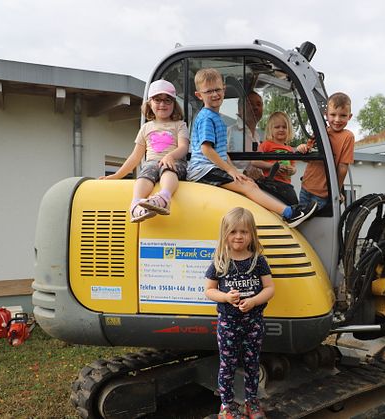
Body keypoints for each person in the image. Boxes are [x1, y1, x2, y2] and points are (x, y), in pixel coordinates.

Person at [187, 68, 316, 228]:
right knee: (248, 186)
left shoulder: (216, 117)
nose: (214, 94)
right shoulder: (207, 117)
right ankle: (289, 214)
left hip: (211, 168)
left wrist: (234, 170)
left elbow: (221, 152)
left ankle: (288, 212)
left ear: (224, 90)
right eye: (209, 91)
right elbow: (207, 150)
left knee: (249, 184)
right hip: (203, 171)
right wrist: (231, 171)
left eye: (218, 90)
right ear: (199, 95)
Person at [204, 207, 274, 419]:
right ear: (225, 233)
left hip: (253, 323)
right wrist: (225, 297)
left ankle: (251, 402)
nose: (238, 236)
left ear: (252, 233)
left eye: (244, 232)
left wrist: (253, 301)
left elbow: (269, 289)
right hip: (228, 324)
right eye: (233, 231)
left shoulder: (258, 260)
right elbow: (209, 290)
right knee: (228, 365)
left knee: (252, 365)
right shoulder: (220, 261)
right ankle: (226, 405)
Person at [100, 79, 189, 222]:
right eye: (158, 100)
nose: (162, 104)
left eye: (168, 100)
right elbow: (135, 157)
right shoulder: (146, 128)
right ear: (149, 103)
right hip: (152, 163)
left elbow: (184, 147)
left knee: (167, 169)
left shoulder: (179, 125)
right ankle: (136, 205)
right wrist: (116, 175)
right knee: (144, 175)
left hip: (174, 163)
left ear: (174, 104)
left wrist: (170, 156)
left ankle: (164, 197)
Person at [296, 92, 355, 211]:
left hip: (323, 193)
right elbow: (307, 157)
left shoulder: (348, 137)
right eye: (333, 115)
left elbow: (342, 167)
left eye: (343, 115)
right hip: (306, 187)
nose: (337, 120)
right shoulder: (320, 132)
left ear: (349, 116)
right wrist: (301, 149)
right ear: (326, 115)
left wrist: (336, 192)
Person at [252, 112, 299, 205]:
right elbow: (254, 161)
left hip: (286, 184)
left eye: (284, 127)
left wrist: (291, 170)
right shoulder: (266, 145)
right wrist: (272, 166)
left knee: (294, 202)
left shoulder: (290, 149)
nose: (281, 129)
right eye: (277, 127)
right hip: (271, 183)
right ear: (270, 130)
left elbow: (294, 167)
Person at [227, 91, 264, 179]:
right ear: (240, 109)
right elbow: (219, 158)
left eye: (259, 104)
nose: (255, 107)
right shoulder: (230, 132)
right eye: (250, 104)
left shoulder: (257, 137)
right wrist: (242, 173)